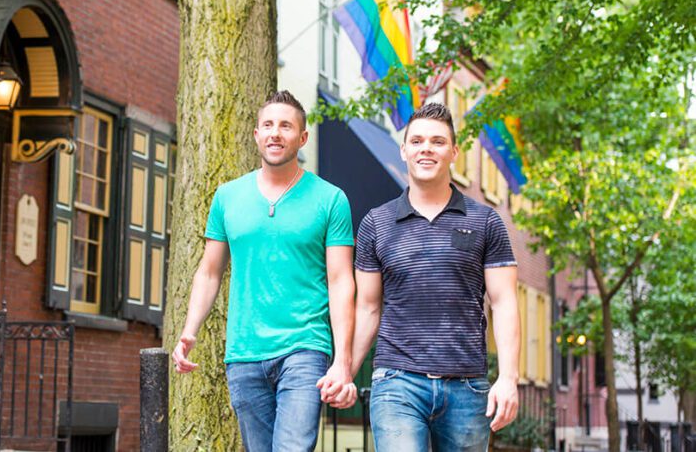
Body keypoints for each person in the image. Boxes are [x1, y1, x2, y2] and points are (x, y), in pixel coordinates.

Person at [171, 90, 357, 452]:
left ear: (302, 138)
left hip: (305, 348)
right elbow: (209, 271)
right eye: (268, 125)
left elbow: (340, 281)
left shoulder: (330, 199)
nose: (275, 133)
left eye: (286, 126)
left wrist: (343, 361)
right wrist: (189, 330)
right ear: (256, 134)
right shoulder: (227, 197)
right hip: (244, 352)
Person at [345, 102, 520, 451]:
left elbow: (504, 303)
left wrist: (509, 379)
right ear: (404, 149)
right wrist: (345, 372)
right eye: (418, 141)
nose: (427, 148)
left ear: (454, 152)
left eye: (438, 142)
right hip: (397, 383)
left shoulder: (486, 222)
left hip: (467, 388)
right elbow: (367, 309)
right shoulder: (375, 224)